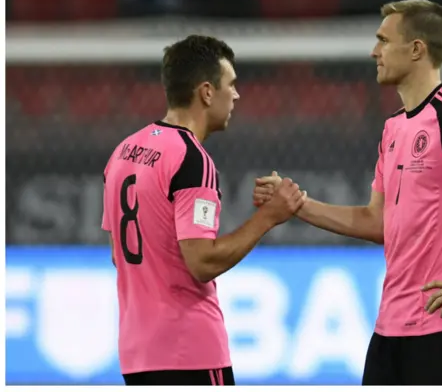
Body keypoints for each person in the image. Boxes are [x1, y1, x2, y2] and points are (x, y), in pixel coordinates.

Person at [254, 0, 442, 385]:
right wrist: (298, 205)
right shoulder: (393, 128)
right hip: (391, 328)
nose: (374, 51)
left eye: (384, 40)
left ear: (417, 49)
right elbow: (378, 222)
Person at [102, 35, 305, 386]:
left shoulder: (123, 151)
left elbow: (118, 256)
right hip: (189, 351)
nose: (237, 95)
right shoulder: (192, 159)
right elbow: (202, 262)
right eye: (232, 84)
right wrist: (269, 216)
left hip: (137, 354)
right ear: (207, 92)